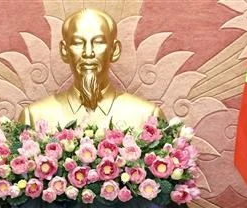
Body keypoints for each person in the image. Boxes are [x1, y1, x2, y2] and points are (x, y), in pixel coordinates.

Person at [18, 8, 165, 130]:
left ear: (114, 50)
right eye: (77, 43)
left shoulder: (148, 117)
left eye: (98, 42)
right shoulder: (33, 118)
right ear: (64, 50)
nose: (88, 53)